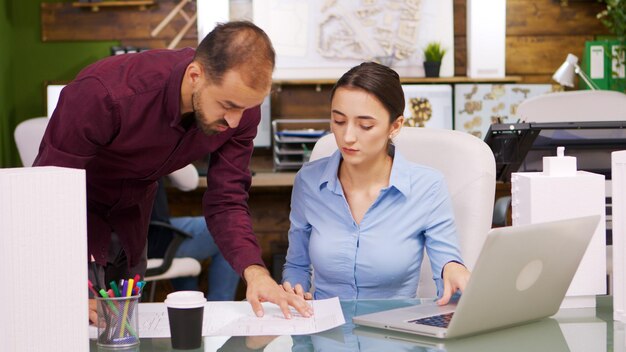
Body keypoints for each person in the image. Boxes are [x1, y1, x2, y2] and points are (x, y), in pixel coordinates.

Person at [33, 21, 311, 322]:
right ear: (195, 75)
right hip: (73, 227)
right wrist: (60, 287)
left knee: (123, 333)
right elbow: (47, 195)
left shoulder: (240, 110)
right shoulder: (104, 95)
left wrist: (255, 273)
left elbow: (227, 200)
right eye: (227, 106)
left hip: (133, 227)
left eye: (245, 108)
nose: (234, 122)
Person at [281, 62, 470, 304]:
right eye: (338, 121)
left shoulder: (428, 187)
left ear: (395, 126)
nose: (347, 136)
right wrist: (293, 290)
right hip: (326, 334)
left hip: (394, 335)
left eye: (365, 126)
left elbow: (447, 262)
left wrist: (453, 268)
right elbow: (297, 265)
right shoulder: (308, 182)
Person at [148, 164, 239, 301]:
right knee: (231, 230)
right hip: (149, 239)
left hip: (118, 243)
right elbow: (189, 182)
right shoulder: (151, 145)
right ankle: (219, 305)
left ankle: (190, 304)